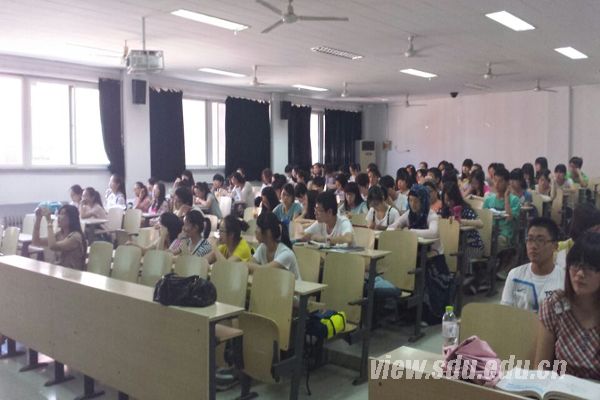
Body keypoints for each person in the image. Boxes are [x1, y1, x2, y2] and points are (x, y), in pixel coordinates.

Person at [535, 231, 600, 380]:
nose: (580, 274)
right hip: (561, 388)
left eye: (590, 267)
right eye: (575, 265)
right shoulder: (554, 305)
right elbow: (541, 368)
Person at [501, 218, 563, 312]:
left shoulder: (564, 279)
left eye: (540, 240)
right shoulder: (515, 275)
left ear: (555, 246)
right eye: (530, 240)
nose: (533, 246)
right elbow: (505, 312)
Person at [246, 212, 301, 280]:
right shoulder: (263, 247)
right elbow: (250, 264)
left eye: (258, 227)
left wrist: (246, 265)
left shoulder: (286, 254)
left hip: (293, 287)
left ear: (268, 232)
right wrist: (247, 265)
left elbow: (264, 271)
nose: (255, 231)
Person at [32, 205, 86, 270]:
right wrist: (38, 219)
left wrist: (49, 222)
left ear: (72, 218)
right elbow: (36, 241)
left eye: (63, 214)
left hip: (72, 273)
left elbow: (53, 246)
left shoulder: (75, 237)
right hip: (60, 271)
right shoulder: (59, 234)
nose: (59, 217)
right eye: (59, 214)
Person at [397, 184, 443, 255]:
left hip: (433, 254)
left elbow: (433, 233)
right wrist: (397, 229)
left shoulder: (431, 215)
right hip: (414, 252)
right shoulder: (409, 214)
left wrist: (410, 231)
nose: (413, 204)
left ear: (423, 201)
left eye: (416, 201)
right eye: (410, 200)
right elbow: (394, 226)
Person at [483, 167, 521, 250]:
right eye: (495, 180)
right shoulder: (489, 199)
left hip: (505, 234)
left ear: (507, 183)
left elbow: (509, 218)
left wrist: (506, 198)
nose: (497, 184)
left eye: (500, 181)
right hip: (490, 231)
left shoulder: (514, 200)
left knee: (496, 242)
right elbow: (483, 218)